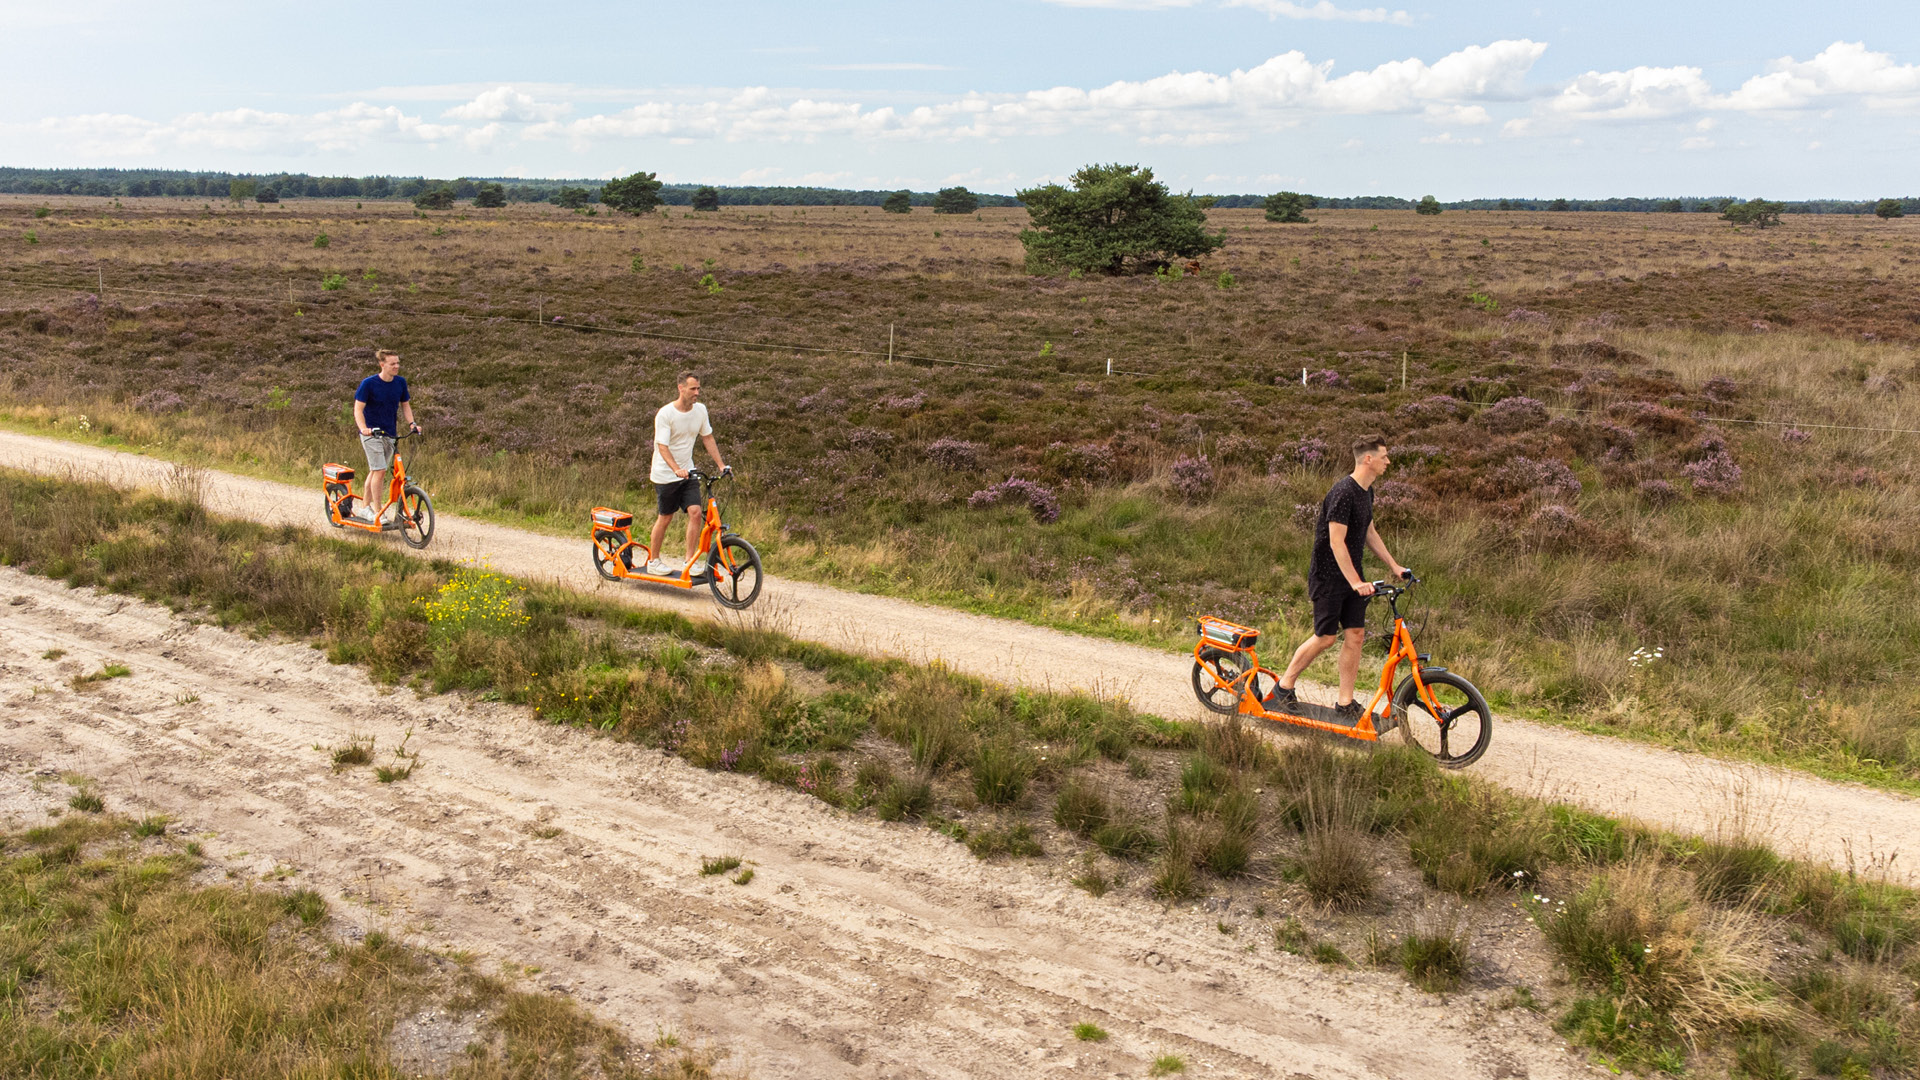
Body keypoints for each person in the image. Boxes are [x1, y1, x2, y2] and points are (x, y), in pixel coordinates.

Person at [1267, 435, 1410, 719]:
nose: (1388, 462)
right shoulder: (1343, 492)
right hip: (1329, 576)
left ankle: (1345, 703)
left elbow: (1369, 532)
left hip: (1352, 576)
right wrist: (1355, 582)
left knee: (1355, 635)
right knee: (1325, 637)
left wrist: (1395, 566)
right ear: (1368, 459)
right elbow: (1336, 542)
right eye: (1384, 456)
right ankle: (1283, 688)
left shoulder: (1366, 491)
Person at [647, 371, 730, 575]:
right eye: (693, 388)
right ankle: (653, 560)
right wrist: (675, 469)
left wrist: (721, 465)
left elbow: (707, 437)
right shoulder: (666, 414)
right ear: (681, 388)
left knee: (695, 513)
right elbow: (662, 447)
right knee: (665, 517)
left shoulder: (700, 410)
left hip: (688, 472)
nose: (697, 393)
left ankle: (689, 561)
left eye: (698, 389)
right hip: (666, 474)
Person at [352, 349, 418, 522]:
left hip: (390, 433)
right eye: (392, 364)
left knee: (375, 470)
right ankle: (377, 511)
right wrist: (363, 428)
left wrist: (412, 424)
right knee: (380, 470)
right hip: (371, 433)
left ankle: (364, 507)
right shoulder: (369, 384)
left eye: (398, 363)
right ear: (382, 365)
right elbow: (358, 409)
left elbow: (405, 405)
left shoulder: (400, 383)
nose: (397, 366)